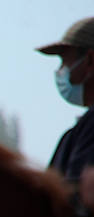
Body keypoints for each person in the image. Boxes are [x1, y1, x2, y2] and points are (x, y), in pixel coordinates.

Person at [39, 17, 94, 186]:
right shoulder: (83, 127)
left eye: (64, 61)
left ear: (90, 59)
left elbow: (75, 203)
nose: (61, 71)